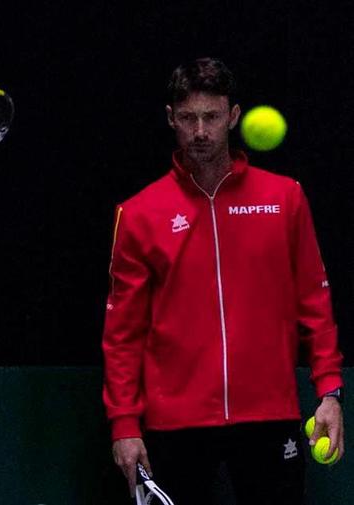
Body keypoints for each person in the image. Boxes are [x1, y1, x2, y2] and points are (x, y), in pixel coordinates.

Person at [102, 57, 344, 504]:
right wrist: (124, 424)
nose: (200, 131)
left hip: (269, 415)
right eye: (189, 118)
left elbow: (314, 299)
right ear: (171, 119)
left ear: (233, 116)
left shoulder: (284, 197)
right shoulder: (138, 214)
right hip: (175, 425)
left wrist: (329, 391)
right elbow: (122, 333)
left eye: (211, 117)